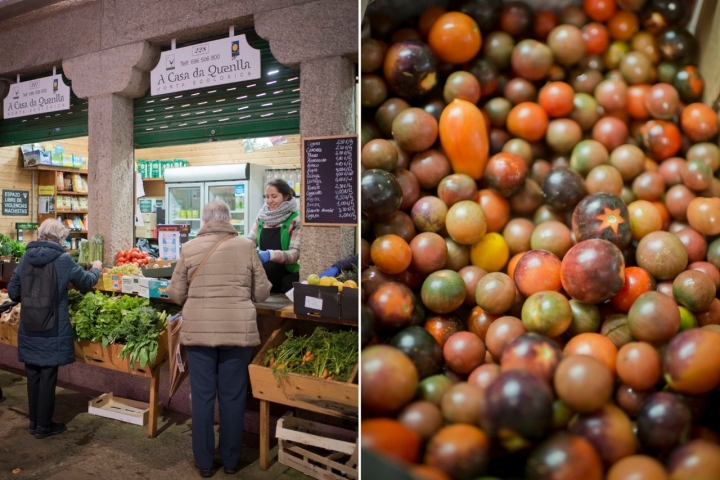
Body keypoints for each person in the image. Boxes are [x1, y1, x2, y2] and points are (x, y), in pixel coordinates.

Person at [168, 200, 271, 478]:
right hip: (238, 333)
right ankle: (231, 461)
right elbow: (262, 293)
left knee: (201, 398)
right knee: (233, 397)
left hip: (199, 333)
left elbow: (175, 295)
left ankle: (204, 463)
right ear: (228, 220)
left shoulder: (188, 249)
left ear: (204, 220)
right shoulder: (247, 247)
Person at [7, 218, 101, 439]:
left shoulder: (25, 259)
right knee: (48, 376)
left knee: (33, 376)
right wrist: (96, 269)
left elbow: (13, 292)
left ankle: (33, 422)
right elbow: (86, 283)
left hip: (29, 326)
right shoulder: (63, 260)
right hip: (52, 329)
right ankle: (44, 426)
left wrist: (32, 299)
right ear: (59, 238)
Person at [248, 179, 301, 293]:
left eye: (274, 196)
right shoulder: (261, 218)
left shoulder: (295, 220)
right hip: (264, 279)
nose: (269, 201)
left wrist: (269, 255)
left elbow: (295, 254)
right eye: (267, 197)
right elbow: (250, 241)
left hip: (287, 280)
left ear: (286, 196)